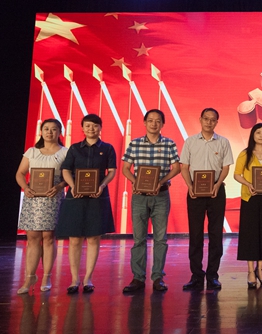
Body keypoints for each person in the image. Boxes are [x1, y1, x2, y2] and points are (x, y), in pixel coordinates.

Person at [121, 109, 181, 293]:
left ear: (162, 124)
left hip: (161, 196)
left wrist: (161, 182)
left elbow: (176, 168)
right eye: (150, 120)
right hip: (139, 196)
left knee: (160, 239)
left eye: (158, 121)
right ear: (144, 122)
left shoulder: (169, 143)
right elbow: (125, 168)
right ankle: (138, 278)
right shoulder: (135, 143)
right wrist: (136, 182)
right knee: (139, 239)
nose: (154, 124)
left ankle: (158, 278)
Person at [56, 114, 116, 294]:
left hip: (98, 196)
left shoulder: (107, 148)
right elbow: (66, 170)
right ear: (82, 128)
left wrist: (102, 185)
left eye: (95, 125)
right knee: (74, 239)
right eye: (88, 126)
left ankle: (88, 278)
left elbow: (112, 171)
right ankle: (74, 279)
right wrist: (73, 186)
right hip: (76, 196)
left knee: (93, 238)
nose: (91, 129)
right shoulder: (74, 148)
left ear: (100, 128)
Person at [180, 108, 234, 290]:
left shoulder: (223, 142)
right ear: (200, 120)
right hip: (194, 192)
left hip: (216, 191)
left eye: (213, 120)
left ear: (217, 122)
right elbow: (184, 167)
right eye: (206, 119)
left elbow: (226, 167)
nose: (209, 122)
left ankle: (212, 275)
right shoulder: (190, 142)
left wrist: (217, 185)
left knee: (216, 234)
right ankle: (196, 275)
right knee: (195, 234)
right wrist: (190, 186)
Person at [15, 119, 68, 294]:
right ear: (41, 131)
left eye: (53, 129)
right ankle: (30, 277)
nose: (49, 132)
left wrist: (59, 186)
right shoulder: (32, 152)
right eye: (46, 129)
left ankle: (46, 276)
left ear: (59, 132)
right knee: (32, 237)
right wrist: (25, 187)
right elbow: (20, 173)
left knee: (49, 237)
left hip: (53, 197)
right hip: (33, 197)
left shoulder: (65, 152)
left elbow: (70, 176)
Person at [233, 123, 262, 288]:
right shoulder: (245, 154)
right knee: (250, 235)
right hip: (249, 198)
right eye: (258, 132)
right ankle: (251, 271)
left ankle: (260, 270)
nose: (261, 135)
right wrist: (248, 184)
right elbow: (237, 174)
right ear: (253, 135)